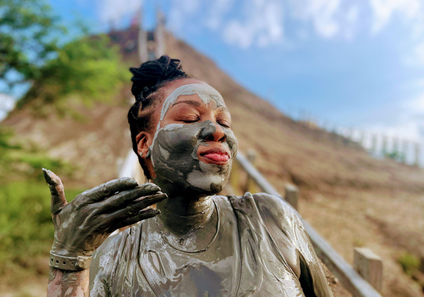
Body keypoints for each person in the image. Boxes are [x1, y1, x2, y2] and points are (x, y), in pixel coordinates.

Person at [43, 56, 333, 297]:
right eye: (190, 118)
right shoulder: (113, 257)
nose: (217, 131)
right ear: (145, 144)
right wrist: (70, 262)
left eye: (224, 121)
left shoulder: (269, 220)